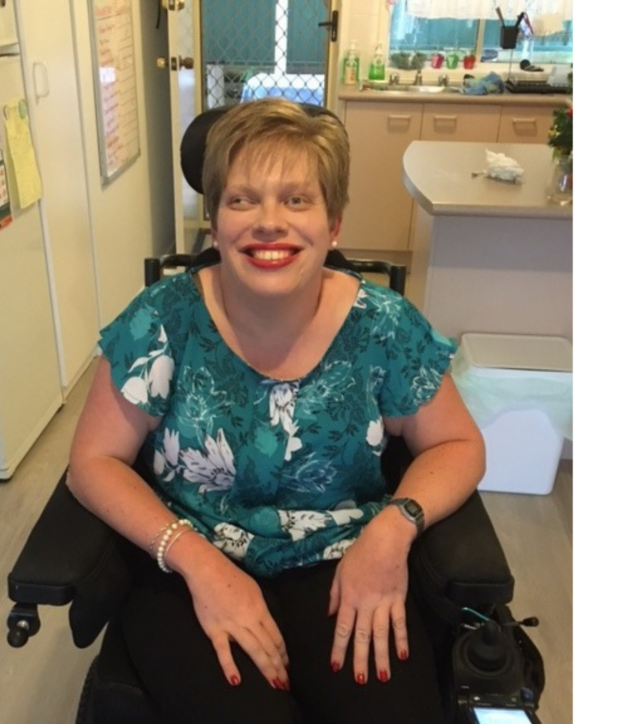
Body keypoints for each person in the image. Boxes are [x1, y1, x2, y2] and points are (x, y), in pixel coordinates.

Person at [67, 97, 485, 724]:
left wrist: (393, 529)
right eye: (242, 200)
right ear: (213, 221)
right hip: (187, 562)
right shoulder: (162, 319)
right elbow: (93, 462)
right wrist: (198, 562)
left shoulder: (384, 327)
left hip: (344, 557)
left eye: (297, 200)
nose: (269, 223)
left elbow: (458, 445)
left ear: (334, 222)